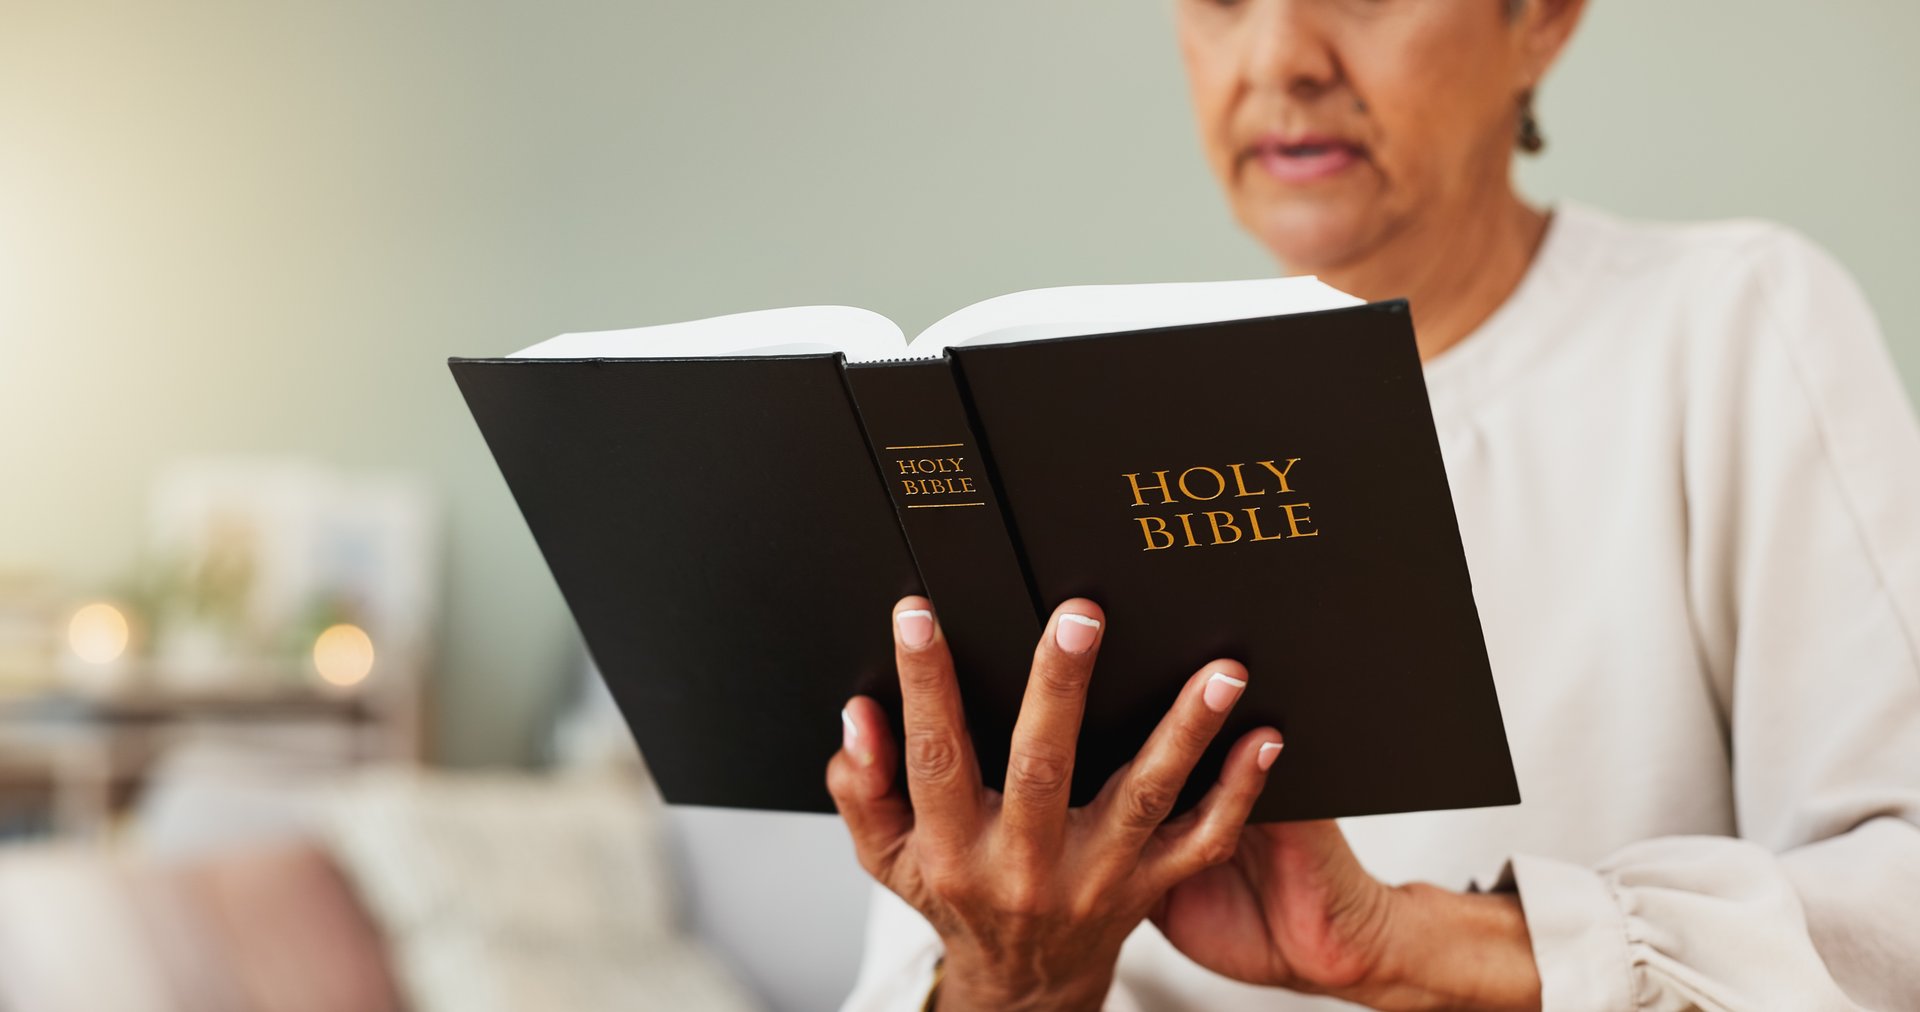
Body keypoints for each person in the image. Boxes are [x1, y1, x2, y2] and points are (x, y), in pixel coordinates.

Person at [830, 0, 1920, 1007]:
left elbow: (1900, 899)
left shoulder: (1734, 326)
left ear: (1541, 19)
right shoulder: (1050, 435)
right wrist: (1016, 978)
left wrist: (1418, 944)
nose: (1280, 60)